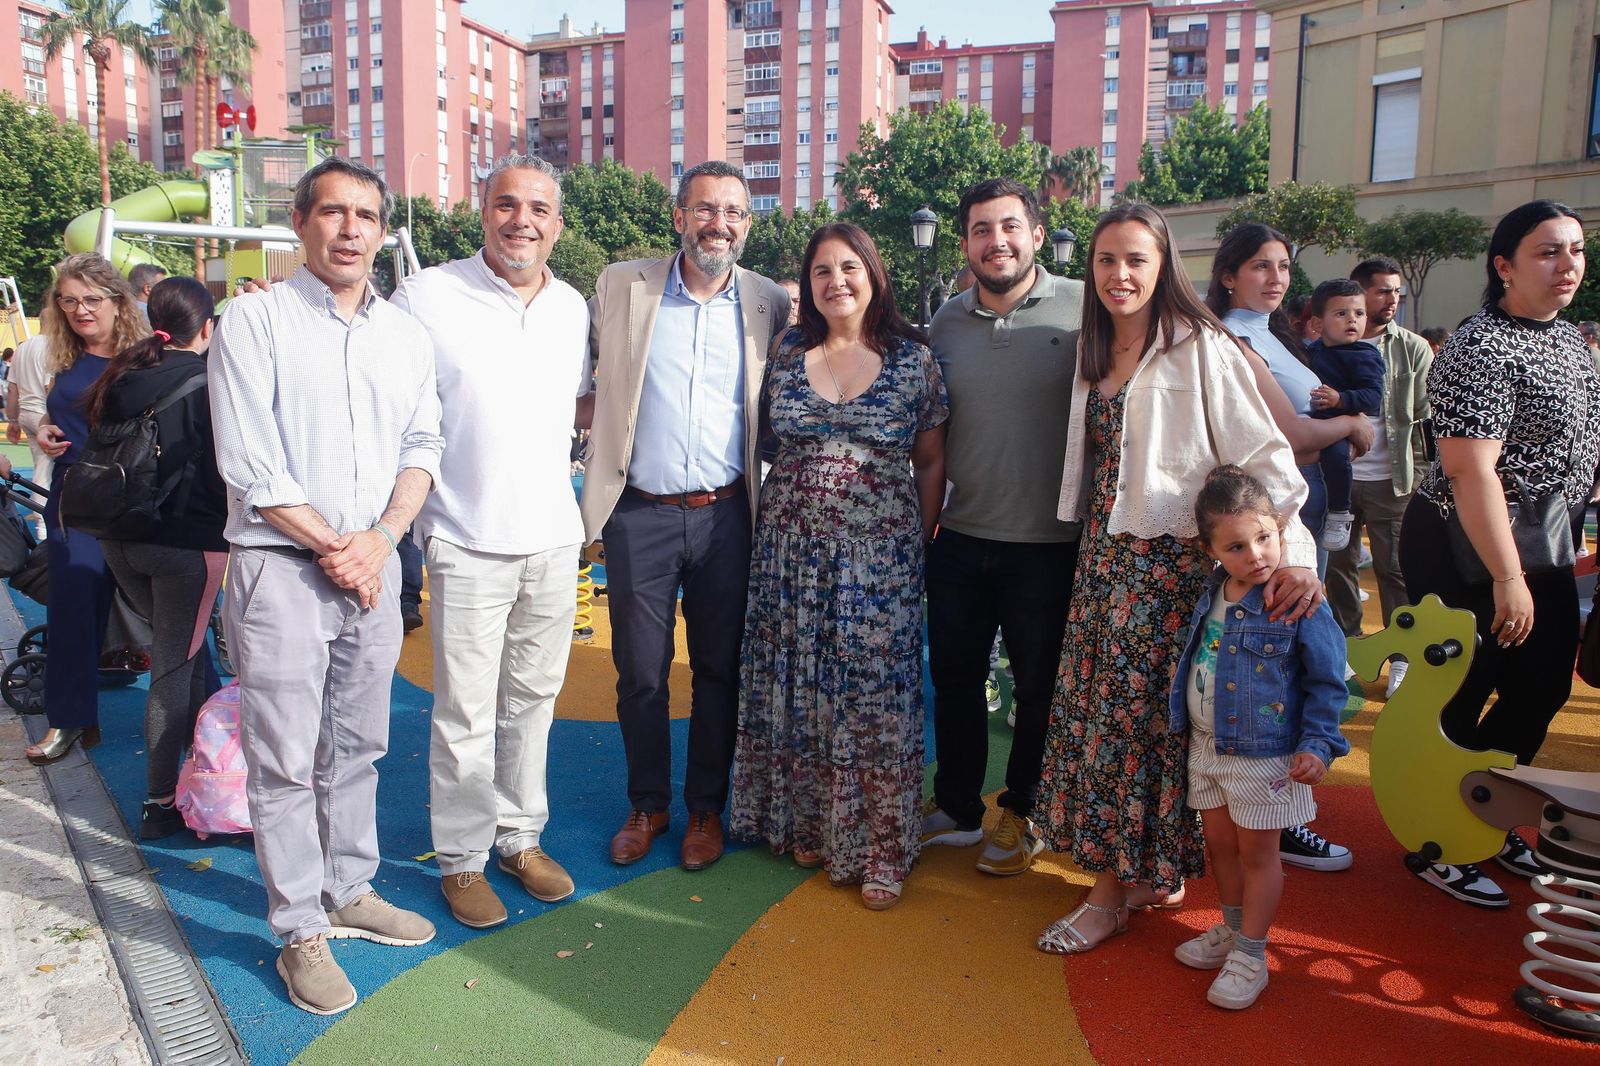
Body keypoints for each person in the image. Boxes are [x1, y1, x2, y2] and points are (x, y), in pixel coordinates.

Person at [1031, 203, 1320, 955]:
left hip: (1167, 576)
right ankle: (1147, 871)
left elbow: (1270, 468)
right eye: (1105, 261)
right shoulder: (1096, 349)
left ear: (1163, 267)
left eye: (1135, 259)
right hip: (1104, 565)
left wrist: (1295, 558)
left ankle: (1105, 895)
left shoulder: (1200, 348)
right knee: (1120, 729)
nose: (1119, 275)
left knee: (1136, 732)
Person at [210, 156, 444, 1015]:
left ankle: (351, 887)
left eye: (366, 216)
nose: (351, 230)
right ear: (301, 224)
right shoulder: (256, 322)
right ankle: (298, 926)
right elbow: (249, 461)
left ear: (383, 231)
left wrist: (378, 542)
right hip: (280, 568)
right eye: (334, 213)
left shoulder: (405, 335)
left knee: (359, 745)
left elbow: (424, 446)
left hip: (372, 570)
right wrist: (337, 549)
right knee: (282, 759)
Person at [390, 153, 589, 929]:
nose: (522, 222)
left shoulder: (572, 307)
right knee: (466, 710)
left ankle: (519, 835)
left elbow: (575, 411)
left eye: (539, 209)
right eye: (507, 205)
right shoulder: (428, 295)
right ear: (483, 213)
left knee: (532, 702)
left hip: (551, 537)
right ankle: (463, 858)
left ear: (557, 225)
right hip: (466, 538)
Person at [581, 161, 793, 872]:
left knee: (718, 670)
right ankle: (648, 803)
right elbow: (579, 381)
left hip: (729, 515)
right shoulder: (622, 284)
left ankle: (706, 807)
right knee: (639, 671)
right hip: (638, 513)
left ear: (747, 225)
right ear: (679, 218)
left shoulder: (769, 302)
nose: (719, 224)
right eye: (705, 209)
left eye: (733, 211)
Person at [730, 221, 947, 910]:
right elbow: (762, 442)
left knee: (874, 703)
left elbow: (932, 458)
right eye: (822, 271)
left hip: (879, 561)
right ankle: (806, 826)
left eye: (849, 267)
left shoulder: (914, 358)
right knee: (802, 687)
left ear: (873, 273)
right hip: (789, 559)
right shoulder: (787, 353)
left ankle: (881, 844)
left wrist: (919, 537)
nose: (836, 281)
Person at [1399, 199, 1599, 909]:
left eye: (1574, 249)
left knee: (1541, 685)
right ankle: (1437, 835)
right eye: (1549, 251)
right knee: (1462, 689)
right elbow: (1469, 470)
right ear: (1505, 265)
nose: (1567, 263)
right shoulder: (1481, 346)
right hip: (1468, 545)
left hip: (1543, 540)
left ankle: (1484, 809)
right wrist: (1508, 579)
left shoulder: (1570, 341)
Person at [921, 178, 1084, 878]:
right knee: (954, 678)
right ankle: (956, 802)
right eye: (982, 230)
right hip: (959, 539)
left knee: (1040, 687)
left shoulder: (1086, 308)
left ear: (1038, 235)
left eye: (1010, 226)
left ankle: (1024, 807)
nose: (998, 241)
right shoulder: (945, 325)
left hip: (1049, 545)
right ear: (966, 244)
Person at [1206, 225, 1371, 875]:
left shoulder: (1275, 337)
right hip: (1275, 522)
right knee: (1273, 671)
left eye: (1282, 266)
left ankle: (1282, 812)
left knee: (1290, 662)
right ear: (1227, 276)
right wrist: (1354, 424)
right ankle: (1278, 818)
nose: (1275, 278)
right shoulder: (1239, 340)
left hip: (1302, 512)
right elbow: (1293, 436)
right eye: (1258, 267)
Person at [1168, 466, 1349, 1009]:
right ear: (1211, 551)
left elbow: (1327, 678)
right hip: (1207, 746)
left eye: (1264, 537)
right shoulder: (1211, 593)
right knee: (1220, 846)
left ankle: (1252, 950)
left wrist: (1318, 744)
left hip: (1265, 756)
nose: (1256, 555)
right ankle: (1230, 927)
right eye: (1237, 546)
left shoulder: (1297, 600)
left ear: (1278, 528)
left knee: (1258, 855)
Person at [83, 276, 227, 837]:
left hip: (120, 537)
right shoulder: (207, 382)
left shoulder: (122, 374)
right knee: (173, 665)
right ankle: (160, 799)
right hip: (186, 543)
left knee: (182, 657)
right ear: (208, 327)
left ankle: (190, 773)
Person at [24, 254, 150, 764]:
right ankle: (69, 720)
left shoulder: (146, 357)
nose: (80, 310)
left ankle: (202, 719)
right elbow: (35, 409)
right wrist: (42, 429)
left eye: (91, 299)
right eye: (69, 300)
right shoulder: (61, 354)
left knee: (171, 617)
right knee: (72, 615)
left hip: (136, 504)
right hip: (73, 502)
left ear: (116, 301)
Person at [1324, 256, 1433, 699]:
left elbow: (1427, 419)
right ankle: (1350, 651)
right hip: (1338, 480)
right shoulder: (1324, 347)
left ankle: (1402, 660)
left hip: (1394, 480)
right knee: (1339, 569)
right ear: (1358, 293)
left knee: (1396, 574)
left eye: (1397, 292)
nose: (1392, 300)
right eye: (1383, 291)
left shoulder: (1413, 348)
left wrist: (1421, 477)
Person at [1304, 279, 1385, 553]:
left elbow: (1373, 396)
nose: (1352, 320)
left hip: (1340, 426)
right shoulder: (1308, 352)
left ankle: (1340, 513)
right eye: (1341, 314)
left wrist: (1342, 399)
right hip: (1310, 424)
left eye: (1359, 313)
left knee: (1337, 457)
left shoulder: (1365, 355)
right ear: (1317, 324)